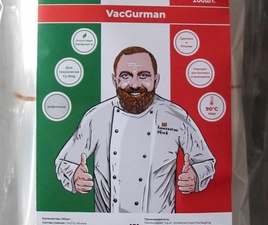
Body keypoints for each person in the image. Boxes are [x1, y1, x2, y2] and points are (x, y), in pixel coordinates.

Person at [54, 45, 216, 213]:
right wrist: (75, 175)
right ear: (114, 80)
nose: (135, 84)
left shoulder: (175, 116)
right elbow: (65, 161)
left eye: (143, 75)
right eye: (125, 75)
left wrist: (195, 176)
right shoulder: (97, 116)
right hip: (108, 224)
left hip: (160, 223)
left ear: (156, 80)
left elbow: (206, 161)